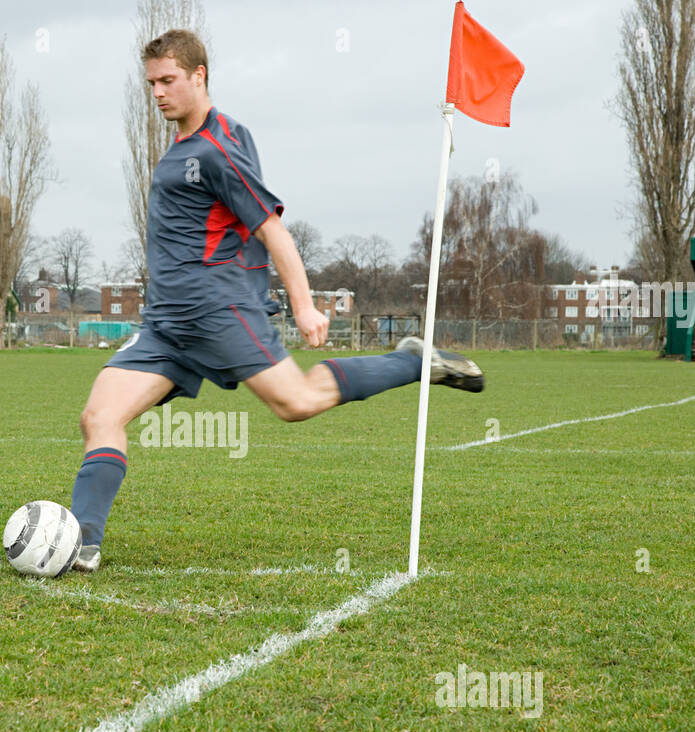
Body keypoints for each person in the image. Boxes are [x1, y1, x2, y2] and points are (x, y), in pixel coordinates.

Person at [69, 29, 484, 572]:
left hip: (218, 312)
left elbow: (272, 230)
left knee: (297, 403)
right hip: (168, 325)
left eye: (168, 80)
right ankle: (81, 543)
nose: (158, 93)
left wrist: (305, 304)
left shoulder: (218, 148)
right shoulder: (190, 144)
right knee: (99, 416)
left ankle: (412, 362)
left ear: (200, 76)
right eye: (151, 83)